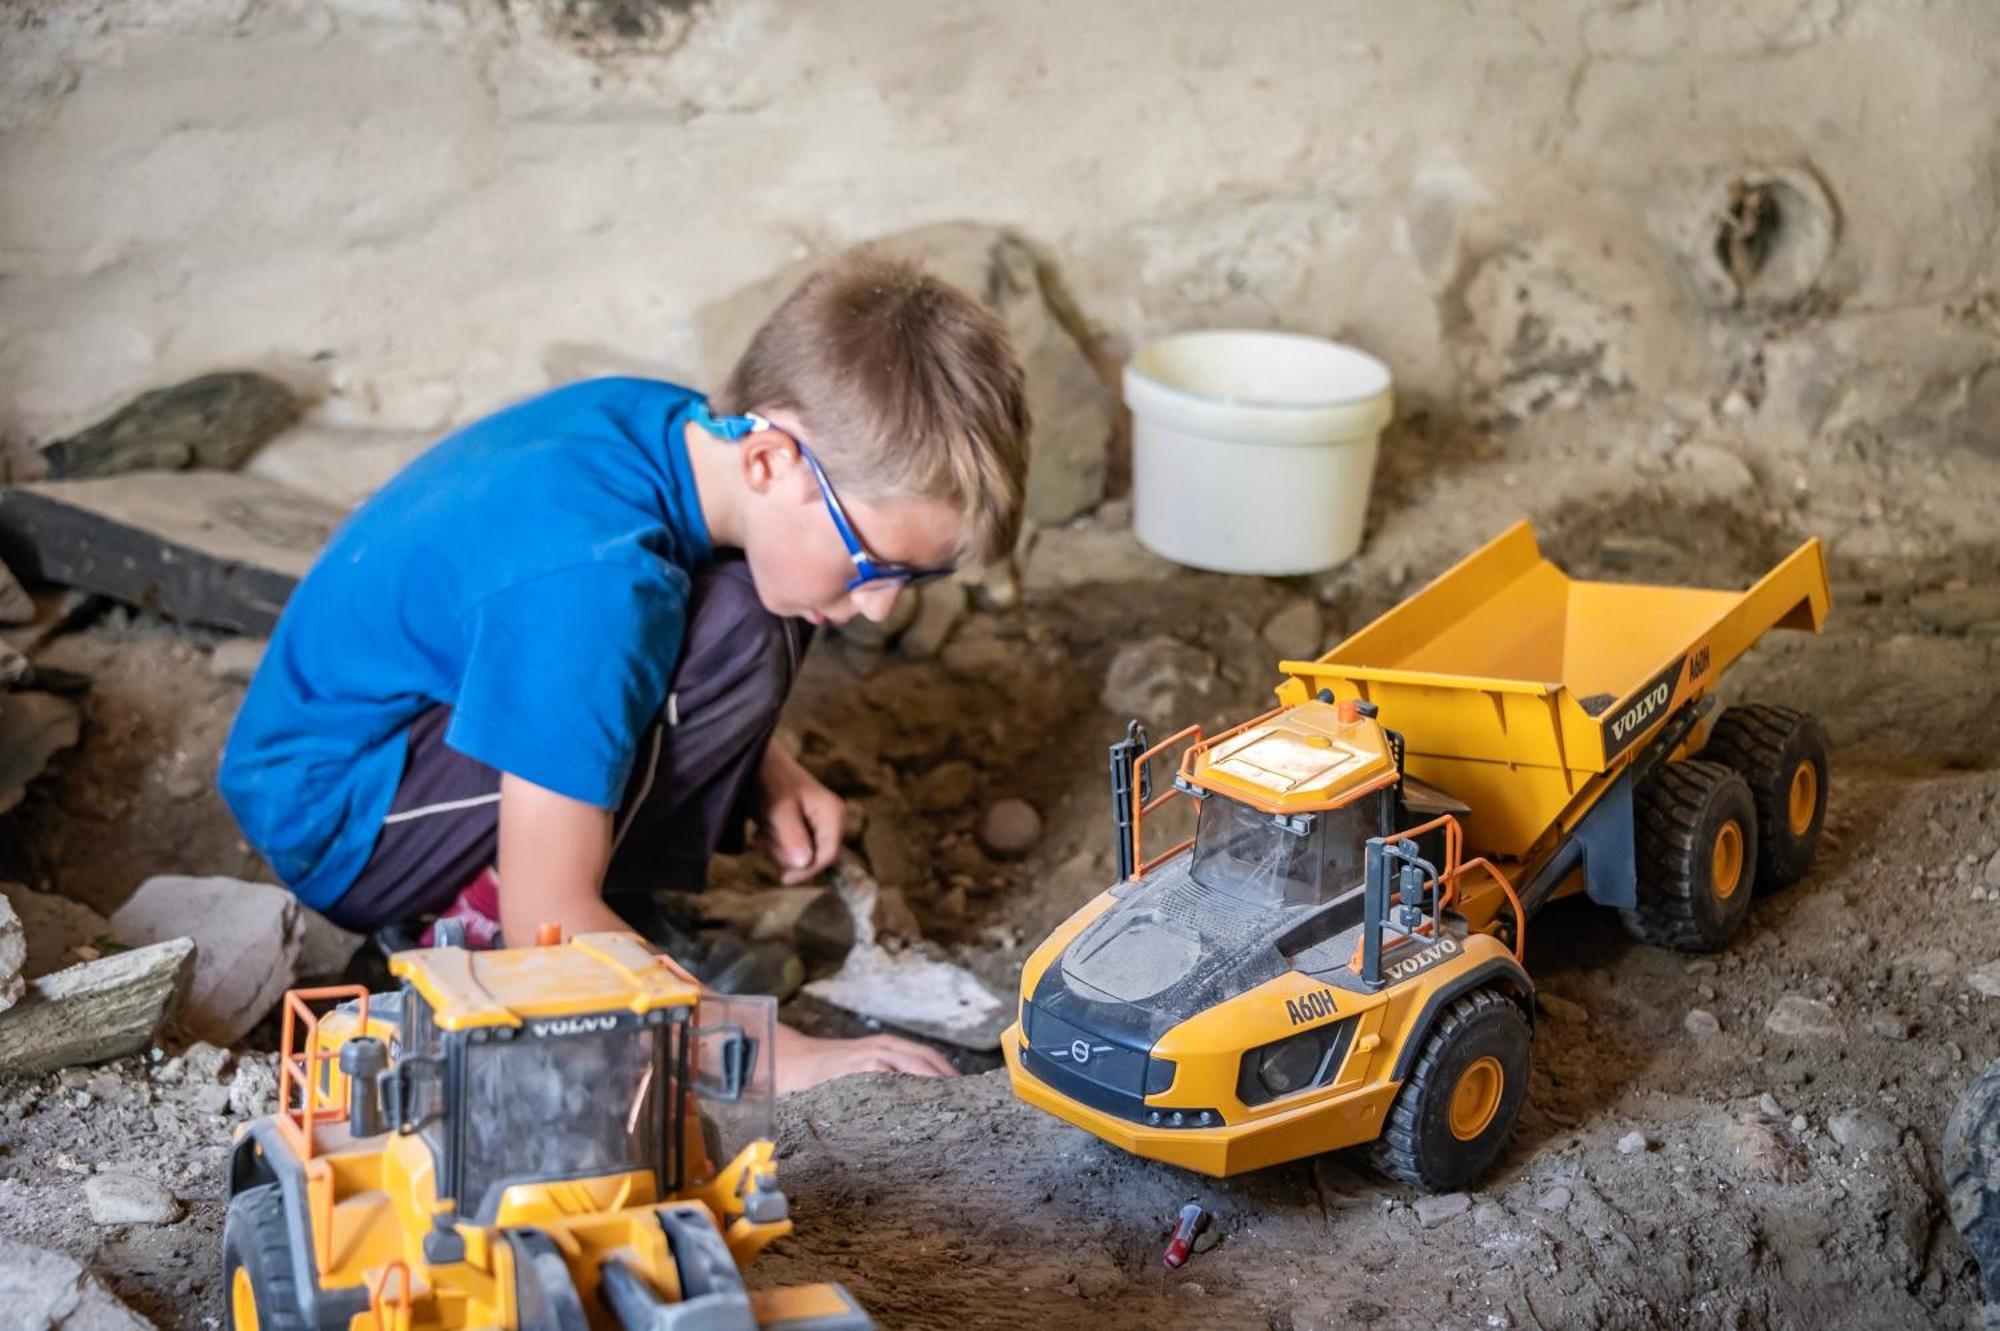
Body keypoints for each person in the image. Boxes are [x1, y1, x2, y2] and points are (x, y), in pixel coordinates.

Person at [217, 252, 1029, 1091]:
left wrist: (766, 770)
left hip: (401, 723)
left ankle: (594, 892)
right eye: (873, 562)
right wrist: (769, 1055)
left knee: (760, 609)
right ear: (770, 463)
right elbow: (549, 919)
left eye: (915, 577)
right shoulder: (595, 583)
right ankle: (466, 927)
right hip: (341, 812)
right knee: (747, 625)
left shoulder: (678, 427)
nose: (882, 607)